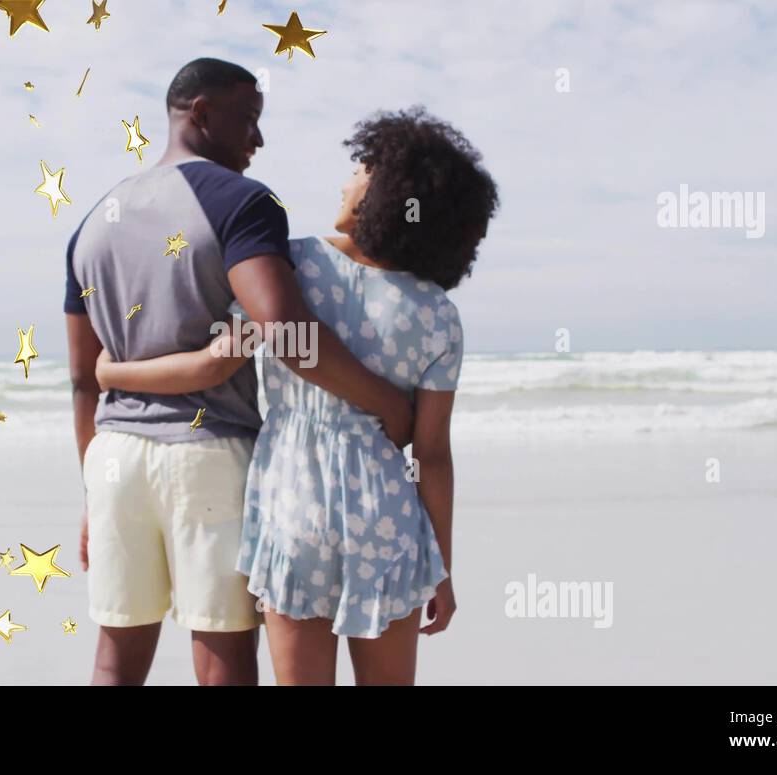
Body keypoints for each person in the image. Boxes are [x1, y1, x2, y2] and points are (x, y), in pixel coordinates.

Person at [95, 107, 499, 684]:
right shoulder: (437, 314)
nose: (347, 178)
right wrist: (444, 570)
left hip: (293, 509)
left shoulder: (291, 264)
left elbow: (216, 362)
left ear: (388, 191)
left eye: (361, 169)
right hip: (385, 524)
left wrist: (114, 374)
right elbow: (430, 453)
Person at [64, 58, 414, 686]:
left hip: (113, 458)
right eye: (249, 121)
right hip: (208, 455)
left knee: (114, 661)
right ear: (202, 113)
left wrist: (93, 485)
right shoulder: (242, 202)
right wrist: (386, 401)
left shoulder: (93, 221)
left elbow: (85, 380)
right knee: (224, 658)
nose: (258, 139)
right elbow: (285, 330)